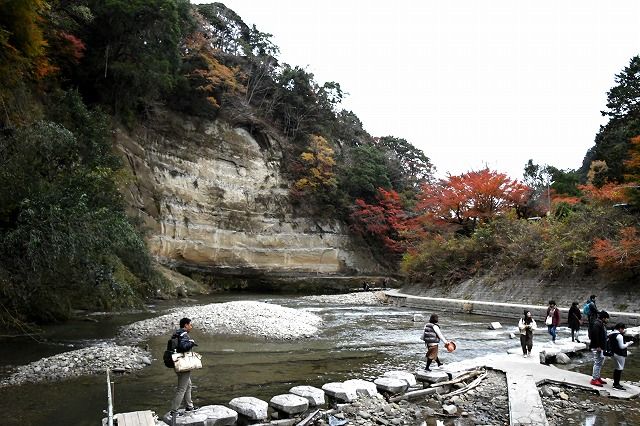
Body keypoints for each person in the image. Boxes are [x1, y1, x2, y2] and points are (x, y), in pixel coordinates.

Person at [171, 318, 198, 414]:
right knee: (182, 388)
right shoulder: (183, 335)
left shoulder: (177, 333)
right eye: (190, 324)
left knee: (188, 385)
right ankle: (174, 410)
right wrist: (191, 343)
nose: (191, 326)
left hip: (176, 362)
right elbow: (183, 347)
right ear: (185, 325)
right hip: (183, 364)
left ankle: (189, 406)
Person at [610, 322, 634, 390]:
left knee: (617, 368)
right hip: (619, 354)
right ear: (620, 328)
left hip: (613, 353)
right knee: (619, 368)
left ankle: (616, 383)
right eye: (623, 329)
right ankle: (616, 385)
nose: (623, 331)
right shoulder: (619, 335)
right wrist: (628, 343)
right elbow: (621, 346)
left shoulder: (611, 334)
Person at [589, 310, 610, 387]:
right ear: (604, 318)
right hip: (597, 347)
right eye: (607, 318)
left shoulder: (601, 324)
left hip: (601, 347)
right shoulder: (597, 324)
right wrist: (598, 346)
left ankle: (597, 377)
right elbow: (595, 336)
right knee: (597, 362)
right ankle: (594, 379)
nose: (608, 320)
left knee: (600, 362)